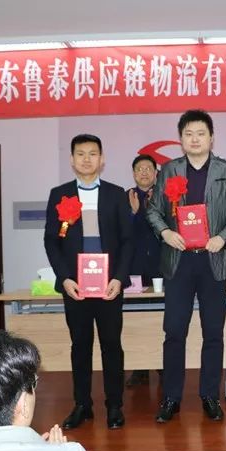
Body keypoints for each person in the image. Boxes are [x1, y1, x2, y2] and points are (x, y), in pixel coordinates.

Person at [146, 109, 226, 423]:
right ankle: (171, 398)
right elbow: (153, 211)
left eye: (201, 134)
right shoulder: (169, 170)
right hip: (178, 262)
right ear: (180, 139)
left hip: (213, 261)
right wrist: (166, 233)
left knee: (213, 332)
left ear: (211, 138)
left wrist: (222, 237)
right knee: (174, 332)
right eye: (188, 134)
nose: (195, 139)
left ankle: (209, 395)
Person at [44, 134, 132, 430]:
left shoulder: (116, 194)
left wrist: (119, 278)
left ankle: (115, 405)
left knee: (111, 345)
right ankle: (82, 404)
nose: (86, 159)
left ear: (102, 159)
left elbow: (128, 241)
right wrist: (64, 278)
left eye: (92, 153)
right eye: (80, 154)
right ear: (72, 160)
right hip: (76, 288)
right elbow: (52, 240)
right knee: (80, 346)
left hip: (109, 287)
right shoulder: (60, 194)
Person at [125, 154, 163, 388]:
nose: (144, 172)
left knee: (161, 319)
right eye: (139, 169)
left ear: (156, 173)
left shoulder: (167, 196)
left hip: (161, 267)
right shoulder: (125, 197)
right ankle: (140, 369)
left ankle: (163, 366)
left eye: (149, 168)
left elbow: (167, 230)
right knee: (136, 320)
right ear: (134, 174)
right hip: (134, 269)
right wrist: (133, 213)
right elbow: (121, 233)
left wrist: (147, 211)